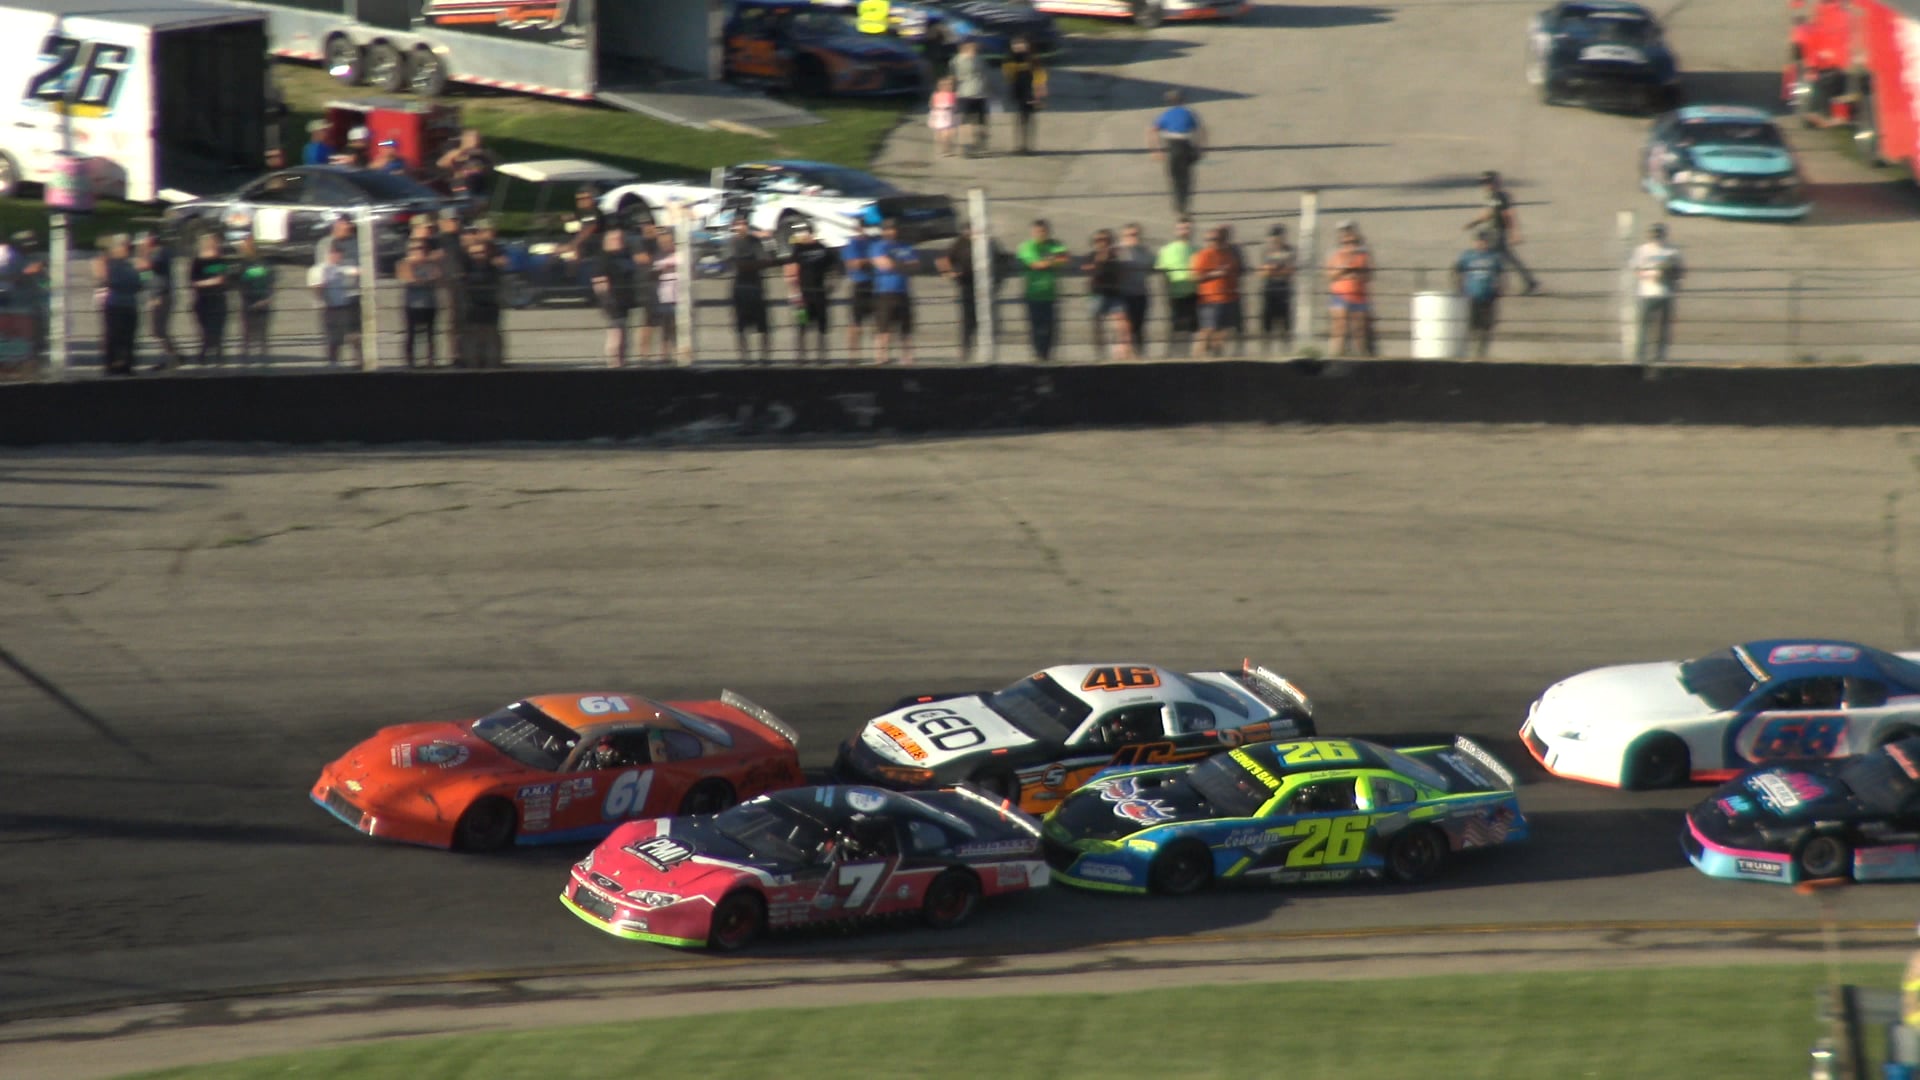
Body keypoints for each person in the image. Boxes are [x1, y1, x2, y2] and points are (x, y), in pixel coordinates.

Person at [1466, 170, 1539, 295]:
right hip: (1492, 232)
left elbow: (1508, 215)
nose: (1485, 185)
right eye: (1483, 183)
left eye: (1488, 182)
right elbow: (1489, 214)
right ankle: (1529, 281)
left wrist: (1514, 233)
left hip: (1498, 232)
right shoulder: (1492, 196)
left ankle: (1497, 286)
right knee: (1507, 258)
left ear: (1496, 182)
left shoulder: (1499, 196)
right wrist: (1474, 222)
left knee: (1492, 258)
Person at [1630, 222, 1684, 364]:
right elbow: (1636, 269)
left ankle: (1660, 356)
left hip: (1666, 293)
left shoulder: (1672, 251)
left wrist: (1668, 274)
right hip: (1647, 293)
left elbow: (1680, 272)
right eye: (1654, 235)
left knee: (1663, 328)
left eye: (1658, 235)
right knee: (1643, 328)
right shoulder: (1642, 250)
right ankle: (1640, 356)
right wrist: (1651, 275)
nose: (1656, 238)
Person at [1016, 218, 1069, 361]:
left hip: (1050, 294)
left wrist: (1049, 261)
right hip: (1034, 294)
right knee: (1037, 328)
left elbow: (1064, 258)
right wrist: (1052, 260)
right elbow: (1036, 265)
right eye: (1037, 231)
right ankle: (1038, 355)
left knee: (1051, 328)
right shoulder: (1027, 246)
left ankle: (1047, 356)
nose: (1040, 234)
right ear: (1032, 232)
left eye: (1043, 231)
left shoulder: (1054, 244)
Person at [785, 222, 838, 363]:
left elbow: (834, 266)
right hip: (803, 293)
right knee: (802, 325)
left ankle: (822, 356)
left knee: (822, 326)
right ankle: (801, 356)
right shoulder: (798, 249)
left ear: (811, 233)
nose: (804, 235)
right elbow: (791, 269)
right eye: (802, 233)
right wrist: (794, 291)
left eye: (806, 232)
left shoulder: (822, 248)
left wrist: (832, 284)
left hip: (819, 292)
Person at [1148, 90, 1207, 215]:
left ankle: (1179, 205)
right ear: (1183, 100)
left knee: (1175, 177)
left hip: (1173, 147)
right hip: (1187, 146)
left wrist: (1156, 150)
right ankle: (1184, 204)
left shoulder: (1165, 115)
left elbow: (1152, 131)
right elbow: (1201, 130)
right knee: (1187, 177)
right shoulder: (1190, 113)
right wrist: (1201, 147)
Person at [871, 217, 920, 365]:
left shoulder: (905, 246)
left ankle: (907, 357)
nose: (891, 232)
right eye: (888, 229)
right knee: (884, 327)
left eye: (893, 229)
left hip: (902, 290)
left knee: (906, 327)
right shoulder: (879, 246)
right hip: (885, 292)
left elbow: (916, 265)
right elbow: (884, 265)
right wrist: (903, 265)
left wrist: (896, 264)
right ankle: (881, 356)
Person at [588, 228, 640, 367]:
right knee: (615, 332)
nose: (619, 241)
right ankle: (614, 361)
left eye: (620, 239)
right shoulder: (604, 258)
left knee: (623, 332)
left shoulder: (625, 256)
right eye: (614, 239)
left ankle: (622, 360)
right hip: (613, 301)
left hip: (625, 301)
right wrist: (607, 301)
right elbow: (599, 281)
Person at [1190, 225, 1243, 357]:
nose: (1215, 242)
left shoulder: (1229, 255)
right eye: (1211, 239)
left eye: (1219, 239)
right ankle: (1196, 359)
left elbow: (1237, 272)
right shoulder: (1202, 255)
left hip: (1229, 298)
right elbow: (1195, 277)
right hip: (1210, 300)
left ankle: (1217, 359)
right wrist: (1215, 274)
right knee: (1207, 332)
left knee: (1223, 334)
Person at [1324, 220, 1375, 357]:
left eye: (1352, 241)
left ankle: (1362, 358)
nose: (1349, 243)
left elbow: (1369, 275)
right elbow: (1330, 275)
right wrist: (1344, 269)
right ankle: (1335, 357)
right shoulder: (1335, 253)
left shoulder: (1363, 253)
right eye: (1345, 240)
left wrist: (1358, 273)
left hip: (1359, 295)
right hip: (1340, 295)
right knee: (1339, 329)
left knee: (1359, 331)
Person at [92, 235, 142, 376]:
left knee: (129, 338)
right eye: (122, 246)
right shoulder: (109, 264)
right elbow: (106, 280)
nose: (125, 249)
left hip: (130, 305)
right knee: (114, 337)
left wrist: (144, 271)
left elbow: (142, 282)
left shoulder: (132, 265)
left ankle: (127, 364)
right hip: (115, 305)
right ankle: (111, 365)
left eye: (126, 247)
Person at [727, 218, 775, 364]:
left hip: (755, 286)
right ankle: (744, 356)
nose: (741, 228)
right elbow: (731, 260)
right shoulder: (732, 243)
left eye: (743, 224)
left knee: (763, 324)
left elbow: (763, 260)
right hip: (740, 287)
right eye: (738, 225)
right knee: (741, 325)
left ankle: (764, 356)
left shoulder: (755, 241)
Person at [1453, 229, 1506, 359]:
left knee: (1487, 327)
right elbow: (1456, 271)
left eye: (1486, 242)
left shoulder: (1494, 257)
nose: (1483, 244)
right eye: (1480, 241)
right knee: (1471, 326)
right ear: (1476, 242)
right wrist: (1459, 288)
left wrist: (1501, 289)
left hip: (1489, 297)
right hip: (1472, 297)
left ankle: (1481, 353)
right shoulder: (1468, 256)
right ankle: (1467, 353)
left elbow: (1501, 275)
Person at [308, 244, 362, 367]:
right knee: (334, 337)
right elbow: (317, 287)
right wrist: (322, 299)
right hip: (330, 308)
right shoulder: (319, 269)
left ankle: (359, 361)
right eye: (336, 253)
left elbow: (353, 270)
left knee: (353, 334)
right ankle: (333, 362)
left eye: (340, 254)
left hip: (343, 306)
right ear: (329, 254)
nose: (339, 256)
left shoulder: (339, 268)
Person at [460, 229, 508, 368]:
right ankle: (472, 365)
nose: (478, 256)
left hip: (490, 307)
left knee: (491, 337)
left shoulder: (493, 269)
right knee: (472, 338)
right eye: (474, 253)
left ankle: (493, 364)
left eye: (481, 252)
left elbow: (498, 285)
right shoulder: (466, 269)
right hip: (472, 308)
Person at [398, 234, 446, 367]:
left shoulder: (431, 264)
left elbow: (437, 276)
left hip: (429, 304)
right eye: (413, 249)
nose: (417, 251)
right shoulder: (404, 263)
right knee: (411, 333)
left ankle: (431, 360)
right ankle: (410, 361)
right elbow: (407, 278)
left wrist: (426, 264)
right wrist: (414, 266)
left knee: (430, 333)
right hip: (412, 304)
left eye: (420, 248)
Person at [187, 233, 234, 366]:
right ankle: (203, 355)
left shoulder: (221, 260)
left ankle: (219, 356)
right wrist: (212, 281)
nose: (215, 246)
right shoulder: (198, 262)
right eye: (213, 243)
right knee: (207, 331)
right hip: (204, 300)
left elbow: (227, 279)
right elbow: (193, 282)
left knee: (219, 329)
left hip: (219, 299)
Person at [1155, 216, 1198, 357]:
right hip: (1175, 295)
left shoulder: (1197, 250)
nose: (1185, 231)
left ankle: (1189, 357)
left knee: (1193, 329)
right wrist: (1166, 295)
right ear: (1176, 230)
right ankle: (1173, 356)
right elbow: (1162, 274)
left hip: (1194, 295)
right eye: (1182, 228)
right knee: (1176, 328)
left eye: (1187, 228)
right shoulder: (1167, 250)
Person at [139, 233, 181, 372]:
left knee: (159, 329)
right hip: (156, 295)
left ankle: (172, 357)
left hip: (163, 296)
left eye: (145, 241)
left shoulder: (161, 253)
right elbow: (146, 275)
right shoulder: (156, 254)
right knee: (157, 330)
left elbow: (151, 266)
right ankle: (170, 357)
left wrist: (144, 254)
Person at [1082, 229, 1126, 360]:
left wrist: (1112, 257)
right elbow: (1089, 271)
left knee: (1120, 322)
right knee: (1097, 326)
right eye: (1098, 240)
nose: (1101, 243)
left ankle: (1119, 352)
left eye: (1105, 240)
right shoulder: (1091, 256)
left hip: (1114, 294)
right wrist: (1100, 259)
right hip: (1097, 294)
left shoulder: (1115, 257)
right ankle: (1100, 354)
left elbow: (1120, 274)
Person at [938, 224, 980, 358]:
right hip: (967, 284)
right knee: (968, 318)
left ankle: (982, 346)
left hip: (984, 285)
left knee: (983, 318)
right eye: (968, 230)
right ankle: (965, 348)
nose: (970, 232)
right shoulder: (959, 243)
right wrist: (950, 272)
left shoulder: (984, 241)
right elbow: (943, 260)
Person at [434, 209, 469, 366]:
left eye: (456, 220)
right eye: (451, 220)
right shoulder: (437, 241)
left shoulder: (462, 240)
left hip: (463, 283)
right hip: (446, 284)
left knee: (465, 320)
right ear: (442, 223)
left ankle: (466, 353)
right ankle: (454, 355)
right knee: (451, 321)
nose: (455, 223)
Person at [842, 214, 880, 357]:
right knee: (856, 323)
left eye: (866, 226)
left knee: (878, 322)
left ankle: (879, 355)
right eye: (862, 226)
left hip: (875, 284)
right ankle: (853, 354)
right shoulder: (853, 244)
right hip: (860, 284)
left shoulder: (874, 242)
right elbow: (854, 264)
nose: (864, 229)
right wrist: (872, 261)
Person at [1001, 37, 1047, 155]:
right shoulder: (1010, 59)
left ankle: (1028, 146)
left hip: (1030, 91)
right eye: (1016, 44)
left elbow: (1040, 75)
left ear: (1027, 45)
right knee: (1020, 118)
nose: (1018, 46)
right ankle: (1020, 145)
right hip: (1018, 90)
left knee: (1028, 117)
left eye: (1021, 44)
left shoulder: (1033, 59)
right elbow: (1007, 75)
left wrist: (1039, 91)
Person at [234, 237, 274, 365]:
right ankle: (245, 360)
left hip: (262, 302)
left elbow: (270, 281)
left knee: (262, 334)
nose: (243, 249)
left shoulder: (264, 263)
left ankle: (263, 359)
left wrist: (266, 298)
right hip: (249, 303)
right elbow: (241, 285)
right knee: (247, 333)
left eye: (245, 247)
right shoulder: (243, 265)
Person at [1114, 223, 1152, 359]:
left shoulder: (1144, 251)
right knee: (1125, 330)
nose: (1133, 237)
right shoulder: (1118, 251)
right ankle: (1123, 358)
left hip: (1140, 294)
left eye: (1135, 234)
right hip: (1124, 295)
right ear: (1123, 236)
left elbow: (1151, 265)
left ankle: (1139, 356)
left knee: (1139, 328)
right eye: (1129, 235)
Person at [1259, 224, 1296, 356]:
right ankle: (1265, 352)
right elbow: (1263, 272)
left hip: (1284, 290)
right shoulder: (1266, 252)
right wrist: (1275, 270)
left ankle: (1286, 352)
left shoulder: (1290, 251)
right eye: (1274, 237)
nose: (1276, 240)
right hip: (1269, 289)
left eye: (1279, 237)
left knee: (1285, 323)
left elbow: (1291, 270)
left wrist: (1274, 270)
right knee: (1267, 323)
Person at [951, 40, 991, 156]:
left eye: (975, 47)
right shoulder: (958, 60)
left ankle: (980, 143)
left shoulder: (979, 59)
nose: (975, 48)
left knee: (981, 121)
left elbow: (985, 75)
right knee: (966, 121)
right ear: (964, 47)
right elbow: (954, 77)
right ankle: (967, 146)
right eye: (972, 47)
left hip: (980, 93)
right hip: (965, 94)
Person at [437, 128, 496, 200]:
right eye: (471, 138)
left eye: (477, 137)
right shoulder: (455, 152)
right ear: (464, 139)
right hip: (462, 185)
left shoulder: (483, 153)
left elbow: (493, 166)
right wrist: (462, 152)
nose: (475, 140)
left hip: (479, 185)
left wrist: (483, 156)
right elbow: (441, 164)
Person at [651, 230, 681, 364]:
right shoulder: (658, 256)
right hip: (664, 296)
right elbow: (653, 273)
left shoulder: (680, 255)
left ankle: (679, 352)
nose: (665, 244)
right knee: (665, 327)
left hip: (679, 297)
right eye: (662, 242)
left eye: (667, 241)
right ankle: (664, 353)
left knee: (678, 327)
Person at [929, 75, 958, 159]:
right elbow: (932, 105)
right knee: (941, 133)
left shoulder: (952, 95)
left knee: (948, 133)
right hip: (939, 115)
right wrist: (936, 108)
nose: (947, 86)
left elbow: (954, 106)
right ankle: (944, 148)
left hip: (949, 115)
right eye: (944, 85)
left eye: (949, 85)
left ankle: (946, 148)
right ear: (939, 86)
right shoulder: (935, 95)